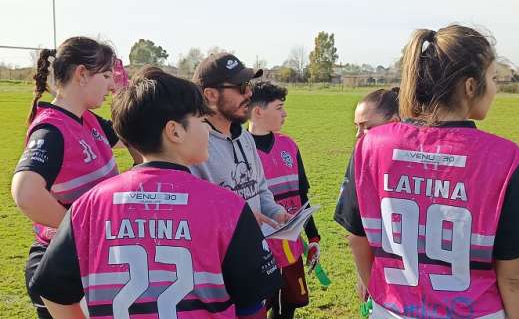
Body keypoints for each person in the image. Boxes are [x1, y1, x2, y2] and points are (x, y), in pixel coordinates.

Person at [29, 67, 282, 318]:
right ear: (175, 131)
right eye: (200, 120)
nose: (206, 130)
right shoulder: (228, 208)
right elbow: (251, 304)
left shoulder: (89, 205)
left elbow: (52, 290)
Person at [340, 25, 519, 318]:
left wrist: (380, 295)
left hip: (390, 311)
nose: (497, 87)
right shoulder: (505, 158)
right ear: (471, 86)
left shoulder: (370, 145)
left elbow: (356, 238)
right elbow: (514, 278)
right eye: (494, 77)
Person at [11, 37, 125, 319]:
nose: (111, 85)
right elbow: (26, 193)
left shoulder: (88, 119)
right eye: (107, 75)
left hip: (87, 259)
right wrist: (79, 228)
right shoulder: (53, 129)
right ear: (82, 74)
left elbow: (135, 138)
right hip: (61, 266)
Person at [248, 81, 321, 319]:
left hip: (291, 248)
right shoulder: (240, 150)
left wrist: (313, 237)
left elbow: (302, 195)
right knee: (256, 310)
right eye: (279, 107)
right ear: (258, 111)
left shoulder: (289, 145)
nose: (285, 113)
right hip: (257, 251)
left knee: (287, 308)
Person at [189, 53, 290, 225]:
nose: (249, 93)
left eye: (249, 85)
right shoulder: (192, 148)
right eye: (241, 87)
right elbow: (195, 214)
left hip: (255, 248)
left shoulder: (245, 138)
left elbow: (260, 189)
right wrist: (239, 219)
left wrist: (276, 212)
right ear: (211, 95)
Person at [333, 88, 399, 301]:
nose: (359, 135)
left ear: (396, 121)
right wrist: (364, 275)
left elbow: (356, 237)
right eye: (357, 127)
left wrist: (369, 281)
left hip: (391, 289)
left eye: (368, 127)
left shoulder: (366, 159)